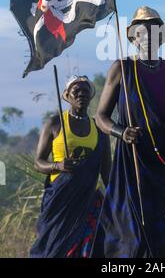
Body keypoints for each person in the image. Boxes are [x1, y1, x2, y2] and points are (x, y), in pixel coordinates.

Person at [96, 6, 165, 258]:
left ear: (161, 37)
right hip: (132, 161)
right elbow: (100, 117)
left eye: (153, 31)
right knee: (131, 236)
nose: (147, 36)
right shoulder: (122, 69)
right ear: (134, 38)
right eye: (141, 32)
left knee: (163, 238)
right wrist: (121, 131)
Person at [30, 75, 111, 258]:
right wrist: (58, 165)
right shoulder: (55, 123)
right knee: (55, 248)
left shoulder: (98, 129)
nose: (81, 94)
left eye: (86, 91)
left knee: (90, 249)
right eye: (76, 91)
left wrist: (116, 200)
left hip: (89, 200)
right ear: (67, 96)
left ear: (91, 96)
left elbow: (106, 171)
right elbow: (38, 162)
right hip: (60, 200)